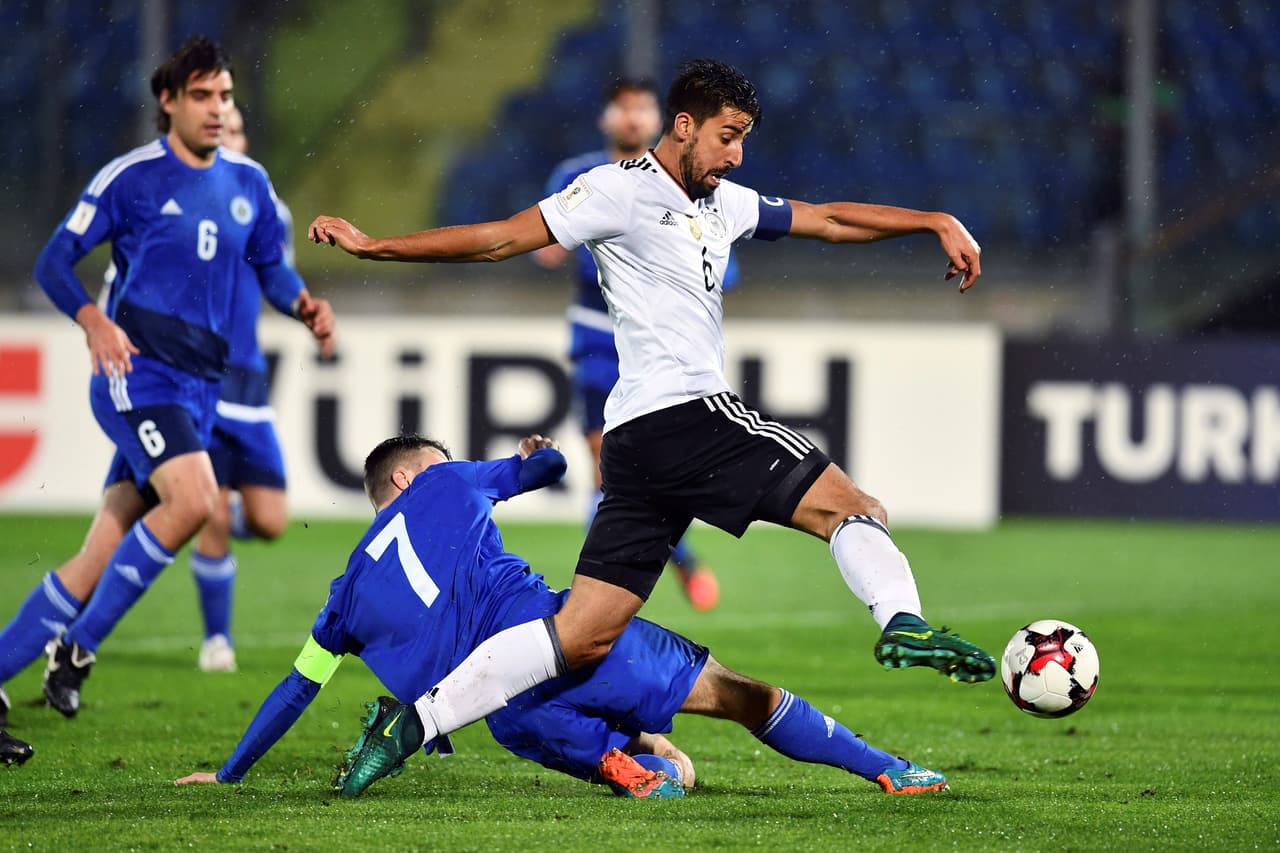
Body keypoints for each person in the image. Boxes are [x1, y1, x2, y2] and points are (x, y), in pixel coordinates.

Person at [308, 59, 993, 789]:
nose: (736, 156)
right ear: (685, 125)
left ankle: (412, 722)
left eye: (745, 140)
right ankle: (901, 621)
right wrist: (376, 246)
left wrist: (932, 220)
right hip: (689, 414)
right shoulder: (617, 189)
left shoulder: (724, 202)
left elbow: (824, 218)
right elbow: (503, 237)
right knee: (856, 510)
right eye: (728, 137)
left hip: (634, 446)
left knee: (579, 635)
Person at [174, 434, 948, 799]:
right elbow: (548, 470)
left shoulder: (343, 595)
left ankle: (629, 763)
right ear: (410, 476)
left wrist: (231, 770)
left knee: (579, 734)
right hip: (567, 638)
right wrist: (534, 453)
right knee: (743, 696)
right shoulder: (443, 484)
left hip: (507, 717)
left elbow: (296, 687)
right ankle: (889, 768)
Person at [0, 37, 334, 721]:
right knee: (193, 500)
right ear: (169, 101)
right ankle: (83, 645)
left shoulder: (248, 184)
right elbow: (54, 261)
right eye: (203, 97)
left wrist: (303, 304)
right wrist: (94, 320)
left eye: (227, 97)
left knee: (104, 545)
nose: (217, 110)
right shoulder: (132, 178)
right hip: (138, 373)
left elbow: (272, 267)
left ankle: (22, 659)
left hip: (200, 388)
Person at [532, 77, 722, 612]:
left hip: (660, 341)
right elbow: (541, 239)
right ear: (607, 119)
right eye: (624, 109)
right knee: (606, 466)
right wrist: (554, 248)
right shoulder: (579, 176)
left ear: (658, 119)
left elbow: (717, 261)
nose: (634, 118)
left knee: (652, 466)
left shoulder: (682, 183)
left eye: (642, 109)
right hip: (596, 334)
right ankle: (667, 567)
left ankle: (651, 562)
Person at [187, 104, 312, 673]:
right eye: (223, 129)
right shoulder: (181, 197)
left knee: (270, 520)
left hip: (249, 378)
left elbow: (276, 278)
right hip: (197, 377)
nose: (230, 138)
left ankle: (186, 519)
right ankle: (217, 640)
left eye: (239, 128)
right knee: (211, 510)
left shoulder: (267, 206)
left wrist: (304, 307)